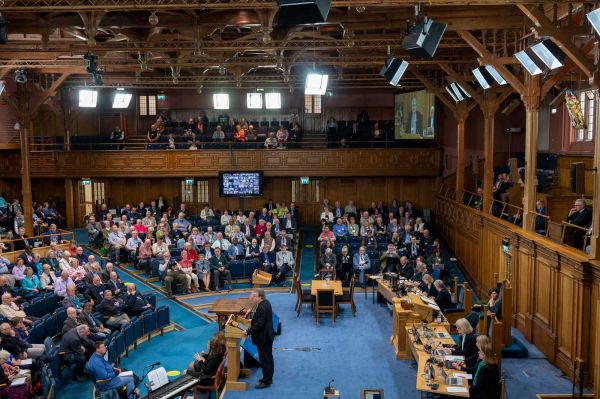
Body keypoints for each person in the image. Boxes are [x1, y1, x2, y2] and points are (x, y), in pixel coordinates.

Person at [245, 289, 275, 389]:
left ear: (260, 297)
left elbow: (260, 323)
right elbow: (261, 319)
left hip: (263, 338)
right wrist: (252, 320)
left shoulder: (262, 306)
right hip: (268, 335)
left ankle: (266, 381)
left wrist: (248, 331)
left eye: (255, 297)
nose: (254, 298)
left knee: (265, 360)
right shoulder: (266, 303)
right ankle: (268, 378)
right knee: (268, 358)